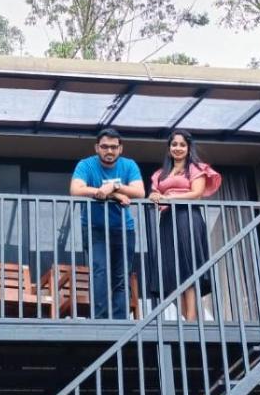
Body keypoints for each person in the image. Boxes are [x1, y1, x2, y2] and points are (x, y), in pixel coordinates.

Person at [70, 128, 145, 319]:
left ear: (120, 149)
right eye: (104, 147)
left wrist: (114, 186)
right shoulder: (86, 165)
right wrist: (112, 195)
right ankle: (100, 320)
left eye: (113, 147)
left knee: (121, 277)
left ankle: (120, 322)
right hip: (95, 229)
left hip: (124, 229)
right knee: (100, 272)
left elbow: (140, 192)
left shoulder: (129, 165)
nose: (109, 151)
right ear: (97, 148)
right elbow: (76, 189)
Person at [147, 129, 221, 321]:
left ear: (188, 148)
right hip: (167, 220)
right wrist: (154, 195)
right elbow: (154, 194)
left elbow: (196, 194)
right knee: (171, 269)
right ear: (169, 148)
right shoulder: (161, 173)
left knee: (188, 265)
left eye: (182, 145)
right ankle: (190, 319)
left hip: (187, 217)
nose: (178, 148)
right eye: (174, 144)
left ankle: (190, 318)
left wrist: (169, 197)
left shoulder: (195, 168)